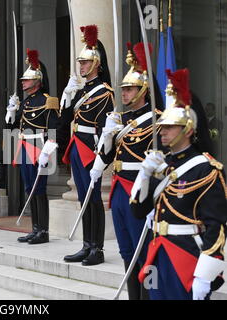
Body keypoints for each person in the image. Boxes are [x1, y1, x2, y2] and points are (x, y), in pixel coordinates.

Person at [130, 68, 227, 300]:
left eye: (169, 127)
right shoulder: (163, 164)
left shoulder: (206, 169)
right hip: (157, 252)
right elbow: (138, 210)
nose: (162, 132)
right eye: (162, 126)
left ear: (188, 129)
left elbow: (217, 228)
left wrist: (205, 276)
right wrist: (143, 176)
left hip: (184, 255)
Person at [88, 42, 164, 299]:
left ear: (143, 89)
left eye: (129, 89)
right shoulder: (123, 121)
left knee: (144, 252)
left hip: (139, 191)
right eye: (123, 89)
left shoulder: (156, 120)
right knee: (127, 252)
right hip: (120, 189)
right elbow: (109, 156)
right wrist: (108, 136)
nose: (125, 93)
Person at [60, 25, 114, 265]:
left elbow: (105, 129)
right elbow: (65, 121)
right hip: (76, 147)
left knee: (94, 200)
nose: (80, 66)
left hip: (90, 149)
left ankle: (97, 249)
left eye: (84, 62)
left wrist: (102, 158)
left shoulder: (105, 93)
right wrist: (68, 98)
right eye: (80, 62)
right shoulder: (82, 91)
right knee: (83, 198)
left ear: (95, 64)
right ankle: (86, 244)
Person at [5, 49, 60, 245]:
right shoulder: (26, 102)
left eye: (26, 80)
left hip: (40, 148)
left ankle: (43, 231)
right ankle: (35, 228)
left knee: (39, 189)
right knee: (30, 188)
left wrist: (48, 150)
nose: (23, 82)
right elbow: (12, 126)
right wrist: (11, 111)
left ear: (37, 81)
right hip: (25, 146)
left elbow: (54, 128)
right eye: (22, 80)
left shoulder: (48, 101)